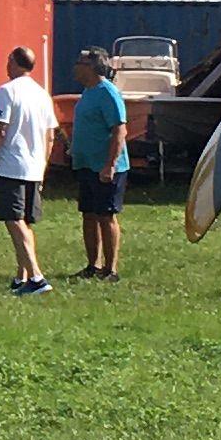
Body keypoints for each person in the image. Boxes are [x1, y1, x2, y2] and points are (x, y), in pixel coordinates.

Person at [0, 43, 54, 295]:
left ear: (14, 63)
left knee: (13, 220)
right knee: (24, 222)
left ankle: (36, 276)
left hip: (12, 166)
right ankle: (21, 276)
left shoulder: (7, 91)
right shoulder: (42, 94)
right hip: (35, 166)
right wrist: (43, 166)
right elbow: (50, 137)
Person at [65, 45, 130, 282]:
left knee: (106, 215)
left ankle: (110, 270)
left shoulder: (107, 93)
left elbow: (119, 131)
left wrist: (110, 165)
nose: (75, 67)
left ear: (92, 67)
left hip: (106, 167)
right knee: (89, 214)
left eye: (79, 63)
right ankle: (93, 265)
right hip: (86, 164)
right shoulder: (88, 92)